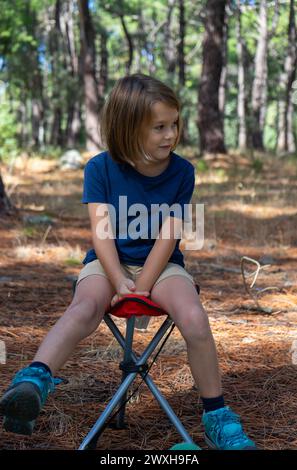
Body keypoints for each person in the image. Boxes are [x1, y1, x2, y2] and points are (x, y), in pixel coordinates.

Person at [0, 73, 256, 450]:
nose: (171, 134)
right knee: (84, 305)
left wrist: (141, 285)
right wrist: (119, 279)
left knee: (195, 318)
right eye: (159, 127)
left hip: (162, 265)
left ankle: (217, 415)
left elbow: (169, 236)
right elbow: (101, 233)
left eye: (174, 124)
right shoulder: (100, 168)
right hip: (108, 263)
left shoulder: (182, 172)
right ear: (127, 128)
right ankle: (35, 379)